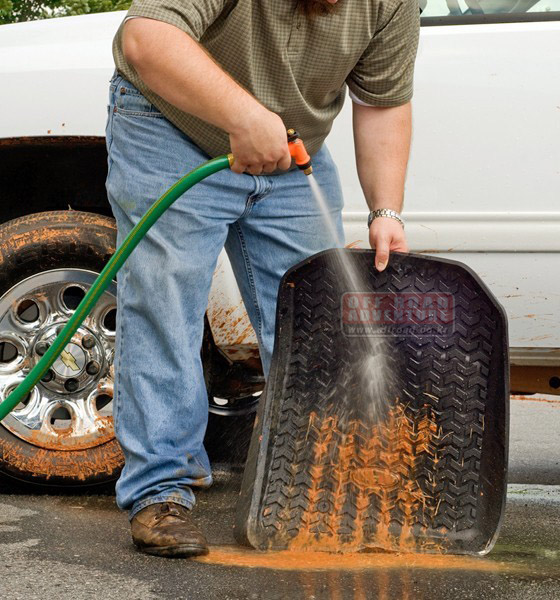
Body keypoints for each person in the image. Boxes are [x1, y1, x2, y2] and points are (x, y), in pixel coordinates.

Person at [105, 0, 420, 557]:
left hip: (293, 151)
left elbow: (383, 102)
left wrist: (386, 212)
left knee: (317, 321)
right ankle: (161, 491)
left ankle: (317, 485)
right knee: (165, 304)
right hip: (172, 125)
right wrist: (243, 117)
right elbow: (146, 39)